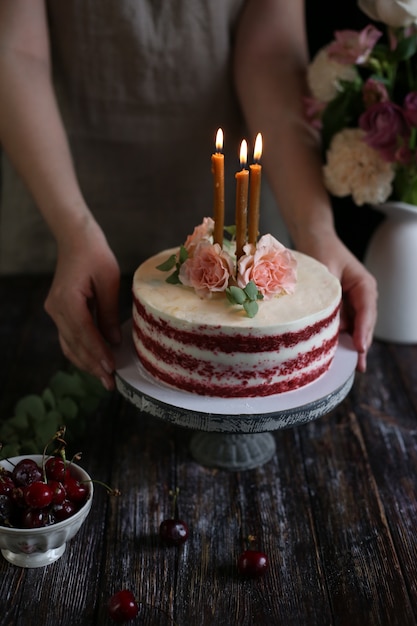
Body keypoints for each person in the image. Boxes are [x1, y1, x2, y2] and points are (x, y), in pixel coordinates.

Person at [0, 0, 377, 391]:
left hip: (243, 198)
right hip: (60, 196)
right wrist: (71, 228)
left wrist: (316, 230)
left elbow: (272, 54)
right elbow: (16, 50)